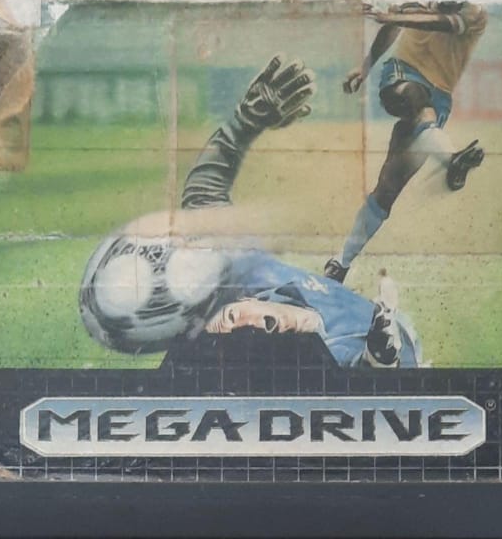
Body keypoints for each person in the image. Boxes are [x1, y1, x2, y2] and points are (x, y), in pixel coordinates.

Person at [80, 57, 422, 369]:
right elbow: (362, 372)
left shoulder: (231, 278)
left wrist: (243, 124)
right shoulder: (281, 340)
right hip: (391, 346)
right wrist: (379, 357)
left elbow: (204, 194)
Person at [325, 0, 487, 284]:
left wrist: (395, 16)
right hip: (403, 75)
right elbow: (393, 27)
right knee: (413, 95)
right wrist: (365, 68)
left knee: (388, 189)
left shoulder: (474, 13)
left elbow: (442, 24)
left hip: (439, 101)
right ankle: (451, 159)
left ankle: (340, 263)